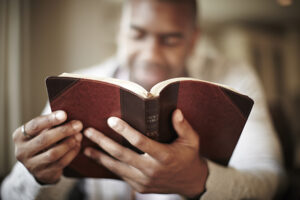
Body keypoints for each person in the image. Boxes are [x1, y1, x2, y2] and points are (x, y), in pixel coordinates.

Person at [1, 0, 285, 199]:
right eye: (137, 35)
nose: (151, 55)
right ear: (119, 31)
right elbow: (10, 195)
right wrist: (37, 175)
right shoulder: (76, 85)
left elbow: (271, 179)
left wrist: (198, 180)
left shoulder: (234, 77)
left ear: (193, 39)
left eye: (171, 39)